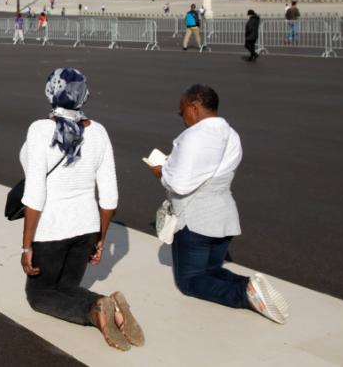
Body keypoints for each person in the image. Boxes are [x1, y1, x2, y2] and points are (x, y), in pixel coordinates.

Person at [19, 68, 143, 351]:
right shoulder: (98, 132)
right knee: (66, 288)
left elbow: (35, 194)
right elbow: (109, 196)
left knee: (39, 296)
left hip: (51, 230)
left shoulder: (40, 130)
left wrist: (27, 246)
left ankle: (96, 311)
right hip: (86, 228)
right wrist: (100, 239)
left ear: (50, 92)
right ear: (84, 95)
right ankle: (114, 311)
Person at [147, 84, 289, 324]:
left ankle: (243, 294)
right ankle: (250, 285)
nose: (182, 118)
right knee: (210, 271)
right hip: (224, 217)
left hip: (195, 221)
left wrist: (160, 171)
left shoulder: (193, 137)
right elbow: (210, 171)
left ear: (194, 106)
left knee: (190, 281)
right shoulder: (232, 135)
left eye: (182, 112)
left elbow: (180, 185)